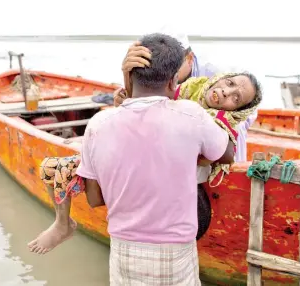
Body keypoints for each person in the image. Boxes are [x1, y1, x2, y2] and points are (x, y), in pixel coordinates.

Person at [29, 33, 233, 285]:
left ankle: (62, 223)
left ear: (129, 75)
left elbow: (95, 200)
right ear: (172, 82)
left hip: (124, 253)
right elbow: (225, 153)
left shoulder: (98, 124)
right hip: (176, 252)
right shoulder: (191, 114)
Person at [116, 32, 258, 162]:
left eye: (171, 65)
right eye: (153, 66)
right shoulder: (192, 88)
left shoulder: (214, 77)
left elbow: (226, 154)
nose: (162, 72)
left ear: (189, 59)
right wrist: (127, 78)